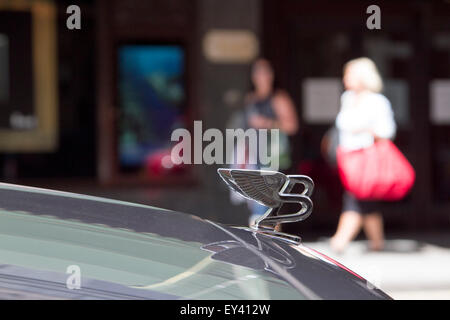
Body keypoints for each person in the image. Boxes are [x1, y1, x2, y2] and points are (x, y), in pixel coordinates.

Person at [330, 57, 396, 253]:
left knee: (356, 197)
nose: (345, 79)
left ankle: (339, 242)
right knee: (365, 200)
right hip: (349, 158)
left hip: (367, 158)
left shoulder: (377, 101)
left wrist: (365, 129)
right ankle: (377, 242)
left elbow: (387, 131)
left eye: (348, 74)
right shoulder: (347, 99)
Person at [244, 58, 299, 226]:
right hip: (254, 154)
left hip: (272, 155)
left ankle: (268, 242)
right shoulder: (251, 98)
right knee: (256, 200)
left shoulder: (279, 98)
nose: (262, 76)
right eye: (258, 72)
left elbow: (292, 126)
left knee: (267, 201)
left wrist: (266, 124)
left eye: (265, 72)